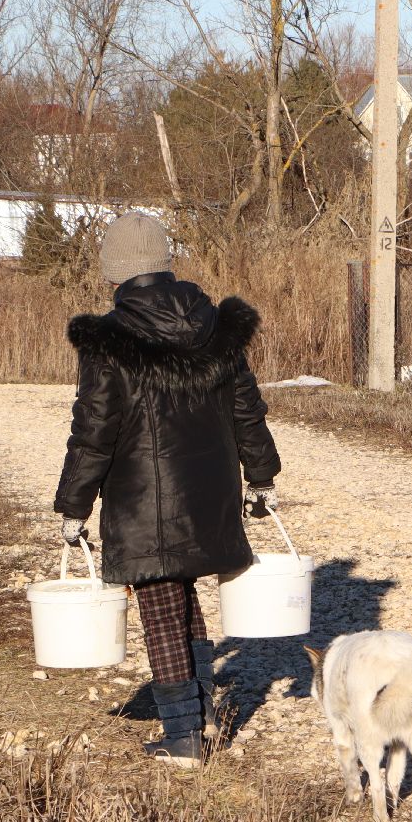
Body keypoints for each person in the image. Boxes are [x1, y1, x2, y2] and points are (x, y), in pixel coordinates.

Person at [54, 212, 281, 767]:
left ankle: (182, 739)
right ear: (165, 261)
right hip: (210, 493)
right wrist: (262, 476)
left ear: (115, 274)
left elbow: (94, 429)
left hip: (143, 499)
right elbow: (246, 409)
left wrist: (72, 505)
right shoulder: (214, 326)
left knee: (160, 603)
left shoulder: (109, 340)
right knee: (183, 598)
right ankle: (201, 718)